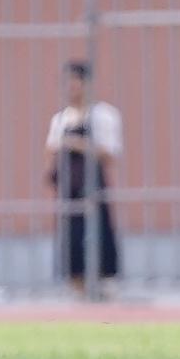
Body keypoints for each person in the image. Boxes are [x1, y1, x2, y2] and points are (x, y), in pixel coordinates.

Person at [44, 61, 122, 299]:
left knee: (99, 234)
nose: (71, 88)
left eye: (75, 82)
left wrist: (77, 144)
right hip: (69, 188)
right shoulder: (61, 118)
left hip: (93, 187)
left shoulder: (103, 115)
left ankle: (104, 285)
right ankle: (76, 287)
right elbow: (50, 150)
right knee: (71, 239)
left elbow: (110, 153)